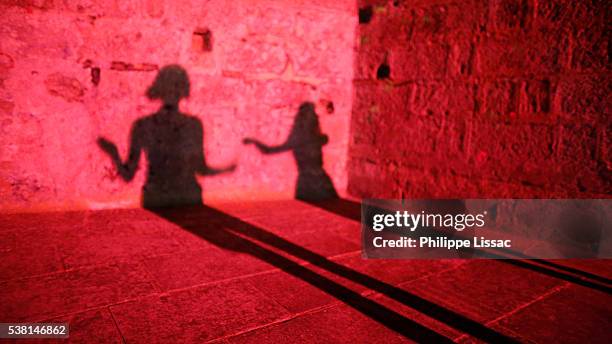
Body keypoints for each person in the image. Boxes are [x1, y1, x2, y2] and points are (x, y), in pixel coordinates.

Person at [97, 65, 235, 208]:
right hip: (186, 196)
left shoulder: (143, 125)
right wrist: (226, 170)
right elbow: (201, 169)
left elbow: (128, 175)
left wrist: (113, 153)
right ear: (184, 91)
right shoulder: (194, 125)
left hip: (156, 197)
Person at [243, 102, 338, 201]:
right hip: (310, 165)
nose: (324, 114)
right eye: (325, 111)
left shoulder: (310, 120)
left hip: (310, 165)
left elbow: (308, 137)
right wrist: (322, 139)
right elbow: (308, 138)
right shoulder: (307, 121)